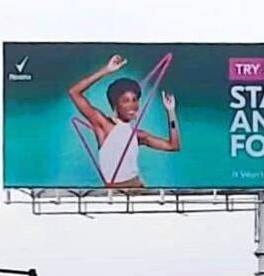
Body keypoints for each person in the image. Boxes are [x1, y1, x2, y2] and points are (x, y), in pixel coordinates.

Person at [68, 54, 180, 188]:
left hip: (139, 189)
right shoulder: (104, 125)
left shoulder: (137, 135)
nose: (132, 105)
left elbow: (173, 146)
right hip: (116, 194)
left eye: (134, 100)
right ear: (116, 105)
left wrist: (171, 111)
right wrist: (107, 70)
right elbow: (74, 92)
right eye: (126, 101)